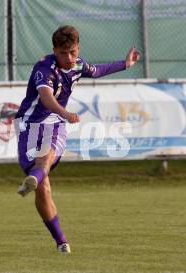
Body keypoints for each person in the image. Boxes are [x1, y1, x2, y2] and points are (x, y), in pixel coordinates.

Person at [15, 25, 140, 253]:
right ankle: (59, 237)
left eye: (73, 52)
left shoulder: (78, 64)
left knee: (47, 157)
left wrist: (126, 64)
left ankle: (34, 182)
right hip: (28, 125)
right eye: (63, 53)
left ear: (78, 48)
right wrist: (66, 113)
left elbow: (98, 70)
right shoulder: (44, 69)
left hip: (54, 123)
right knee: (43, 189)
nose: (69, 58)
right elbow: (46, 98)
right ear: (55, 50)